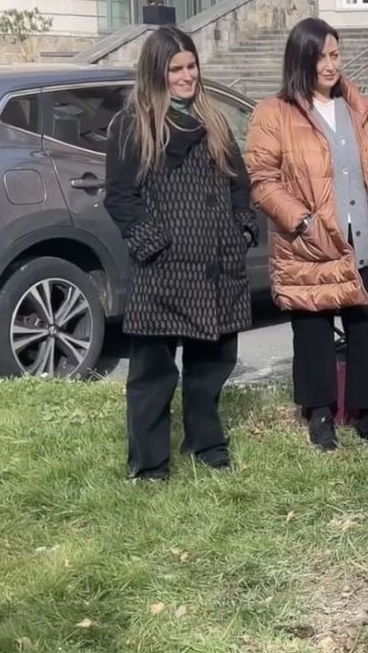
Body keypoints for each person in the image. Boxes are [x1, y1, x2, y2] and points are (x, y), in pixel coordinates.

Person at [245, 17, 368, 451]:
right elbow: (262, 179)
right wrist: (302, 221)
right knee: (313, 330)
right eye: (320, 57)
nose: (331, 65)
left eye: (335, 55)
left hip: (364, 237)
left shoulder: (362, 107)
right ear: (301, 60)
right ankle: (320, 415)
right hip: (311, 242)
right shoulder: (274, 113)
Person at [103, 25, 257, 480]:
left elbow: (238, 183)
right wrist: (152, 245)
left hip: (216, 265)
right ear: (157, 72)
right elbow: (121, 197)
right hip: (163, 268)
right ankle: (150, 463)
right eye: (176, 69)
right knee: (152, 373)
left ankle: (206, 443)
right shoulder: (133, 124)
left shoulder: (214, 120)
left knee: (212, 363)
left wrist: (241, 229)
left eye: (192, 66)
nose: (187, 76)